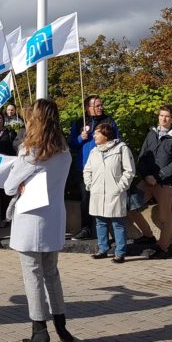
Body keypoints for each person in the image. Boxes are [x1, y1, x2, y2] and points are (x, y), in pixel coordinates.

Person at [4, 99, 75, 342]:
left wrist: (22, 184)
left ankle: (39, 330)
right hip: (54, 219)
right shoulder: (65, 153)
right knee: (52, 274)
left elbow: (9, 187)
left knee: (32, 275)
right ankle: (61, 325)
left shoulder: (29, 152)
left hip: (30, 220)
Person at [128, 105, 172, 258]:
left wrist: (158, 176)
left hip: (163, 183)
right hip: (147, 181)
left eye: (167, 116)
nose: (163, 119)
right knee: (129, 206)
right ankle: (147, 235)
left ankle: (163, 247)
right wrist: (146, 175)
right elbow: (142, 157)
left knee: (165, 217)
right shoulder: (151, 133)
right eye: (161, 115)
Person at [83, 123, 135, 263]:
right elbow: (87, 170)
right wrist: (90, 185)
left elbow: (129, 171)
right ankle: (103, 250)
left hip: (115, 193)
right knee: (100, 222)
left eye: (97, 133)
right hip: (98, 192)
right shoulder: (94, 151)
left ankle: (120, 252)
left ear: (106, 135)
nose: (94, 135)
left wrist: (120, 187)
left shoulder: (121, 149)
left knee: (118, 223)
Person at [68, 95, 119, 240]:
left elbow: (117, 141)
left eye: (101, 105)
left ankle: (110, 232)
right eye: (97, 105)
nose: (100, 107)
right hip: (84, 168)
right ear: (88, 108)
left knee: (106, 198)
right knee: (86, 199)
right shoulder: (79, 122)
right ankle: (86, 229)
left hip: (103, 167)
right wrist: (80, 138)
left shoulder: (108, 121)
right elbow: (70, 144)